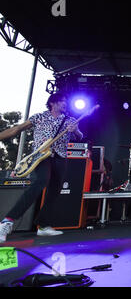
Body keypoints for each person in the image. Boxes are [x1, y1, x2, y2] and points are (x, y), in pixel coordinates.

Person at [0, 93, 83, 243]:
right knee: (41, 181)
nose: (65, 103)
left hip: (60, 157)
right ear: (53, 103)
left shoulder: (69, 120)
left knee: (54, 191)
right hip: (41, 156)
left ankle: (43, 226)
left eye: (66, 101)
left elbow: (80, 136)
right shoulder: (39, 117)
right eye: (63, 100)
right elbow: (17, 129)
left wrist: (75, 130)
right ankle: (7, 221)